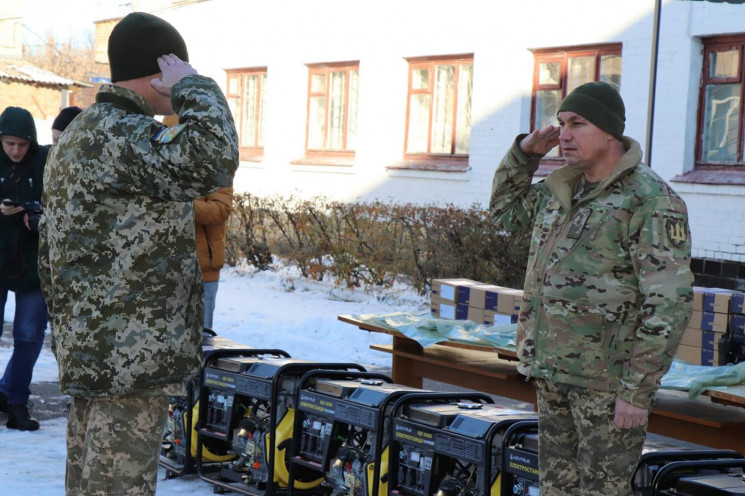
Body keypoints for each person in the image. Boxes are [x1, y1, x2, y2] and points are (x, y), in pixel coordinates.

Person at [39, 12, 238, 496]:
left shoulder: (85, 132)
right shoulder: (122, 135)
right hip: (129, 359)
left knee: (91, 484)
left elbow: (48, 253)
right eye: (175, 71)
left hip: (99, 352)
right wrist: (196, 87)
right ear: (160, 74)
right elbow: (213, 158)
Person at [489, 81, 694, 496]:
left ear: (609, 132)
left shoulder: (649, 200)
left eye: (577, 124)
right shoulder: (560, 190)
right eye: (562, 123)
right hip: (553, 372)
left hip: (607, 386)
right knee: (556, 489)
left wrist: (636, 392)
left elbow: (668, 303)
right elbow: (504, 216)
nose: (563, 135)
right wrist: (524, 156)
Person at [0, 106, 49, 431]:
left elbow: (61, 204)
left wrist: (35, 216)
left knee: (29, 337)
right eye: (9, 144)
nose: (15, 150)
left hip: (33, 266)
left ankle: (15, 400)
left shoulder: (45, 163)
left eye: (21, 144)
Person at [163, 114, 234, 330]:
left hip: (203, 271)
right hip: (163, 270)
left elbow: (220, 210)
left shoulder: (215, 167)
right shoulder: (156, 168)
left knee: (201, 340)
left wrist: (181, 204)